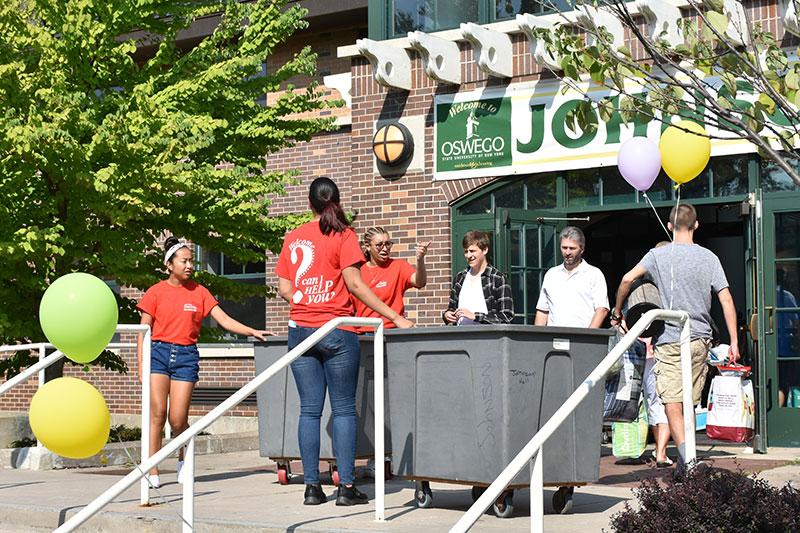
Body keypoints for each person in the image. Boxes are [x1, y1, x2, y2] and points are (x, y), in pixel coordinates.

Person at [276, 177, 413, 507]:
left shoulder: (293, 237)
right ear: (336, 201)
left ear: (310, 204)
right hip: (337, 329)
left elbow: (284, 288)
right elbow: (355, 284)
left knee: (309, 411)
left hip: (301, 330)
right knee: (343, 410)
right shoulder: (343, 234)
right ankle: (347, 487)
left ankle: (311, 487)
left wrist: (306, 299)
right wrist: (394, 317)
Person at [612, 203, 740, 476]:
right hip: (699, 340)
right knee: (689, 403)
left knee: (672, 402)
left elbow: (626, 279)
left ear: (669, 226)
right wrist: (735, 342)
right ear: (696, 226)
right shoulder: (709, 258)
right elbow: (726, 298)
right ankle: (686, 460)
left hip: (670, 338)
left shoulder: (657, 255)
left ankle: (688, 460)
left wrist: (618, 309)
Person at [137, 236, 269, 489]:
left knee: (177, 419)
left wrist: (252, 331)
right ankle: (152, 467)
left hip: (186, 357)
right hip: (159, 353)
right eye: (184, 261)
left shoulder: (200, 292)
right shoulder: (155, 292)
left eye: (192, 261)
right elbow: (143, 332)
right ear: (169, 264)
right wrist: (141, 364)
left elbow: (224, 320)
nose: (189, 266)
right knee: (157, 414)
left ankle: (183, 459)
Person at [353, 226, 430, 333]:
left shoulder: (399, 266)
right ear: (368, 247)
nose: (385, 249)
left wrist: (420, 259)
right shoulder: (357, 272)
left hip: (392, 330)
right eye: (379, 245)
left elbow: (420, 282)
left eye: (388, 244)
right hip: (365, 332)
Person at [534, 226, 609, 328]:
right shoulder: (551, 274)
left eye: (572, 248)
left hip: (582, 338)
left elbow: (602, 310)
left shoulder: (594, 274)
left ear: (582, 249)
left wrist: (588, 336)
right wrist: (538, 340)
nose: (567, 252)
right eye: (564, 247)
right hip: (554, 338)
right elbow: (543, 311)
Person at [443, 230, 513, 325]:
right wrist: (447, 315)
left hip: (487, 338)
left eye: (472, 251)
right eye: (466, 251)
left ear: (485, 250)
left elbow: (507, 317)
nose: (468, 255)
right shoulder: (459, 278)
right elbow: (452, 308)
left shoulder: (497, 279)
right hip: (460, 337)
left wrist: (476, 316)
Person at [777, 268, 800, 407]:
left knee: (778, 381)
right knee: (785, 381)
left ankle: (777, 409)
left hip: (773, 344)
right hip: (785, 345)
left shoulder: (767, 294)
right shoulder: (787, 296)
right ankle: (782, 408)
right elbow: (796, 321)